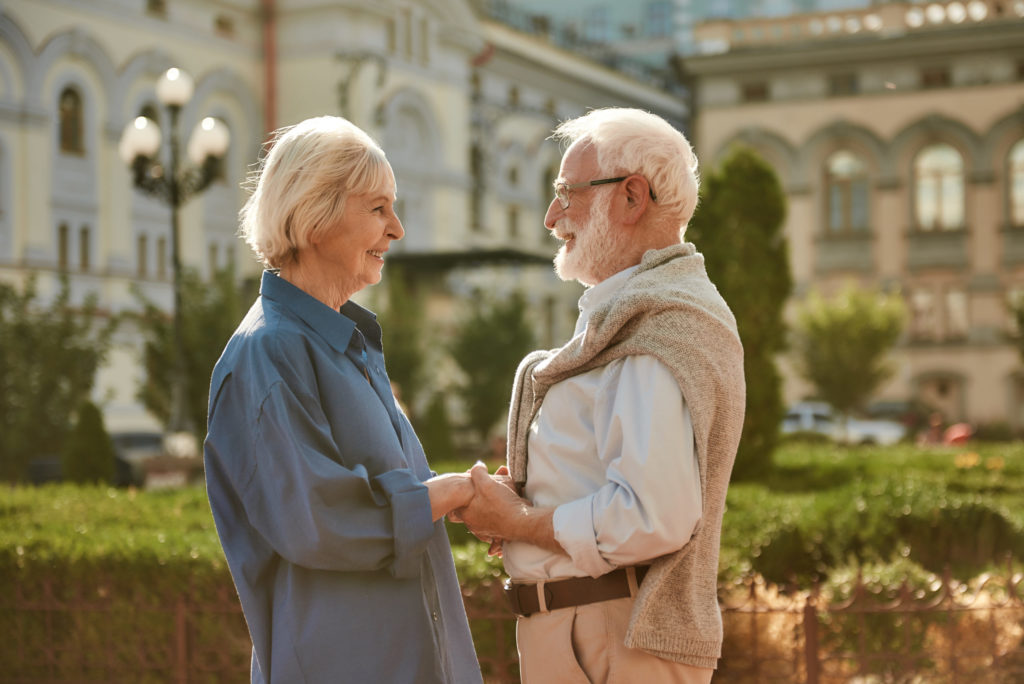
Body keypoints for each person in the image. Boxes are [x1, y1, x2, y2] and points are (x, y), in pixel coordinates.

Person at [453, 108, 746, 683]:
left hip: (613, 640)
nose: (550, 216)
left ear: (632, 197)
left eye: (566, 192)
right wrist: (525, 500)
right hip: (598, 636)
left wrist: (520, 520)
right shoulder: (639, 315)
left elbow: (651, 517)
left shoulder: (655, 325)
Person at [204, 116, 482, 683]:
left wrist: (452, 497)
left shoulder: (343, 344)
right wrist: (445, 495)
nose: (398, 229)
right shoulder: (269, 350)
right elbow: (317, 519)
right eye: (378, 209)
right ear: (313, 215)